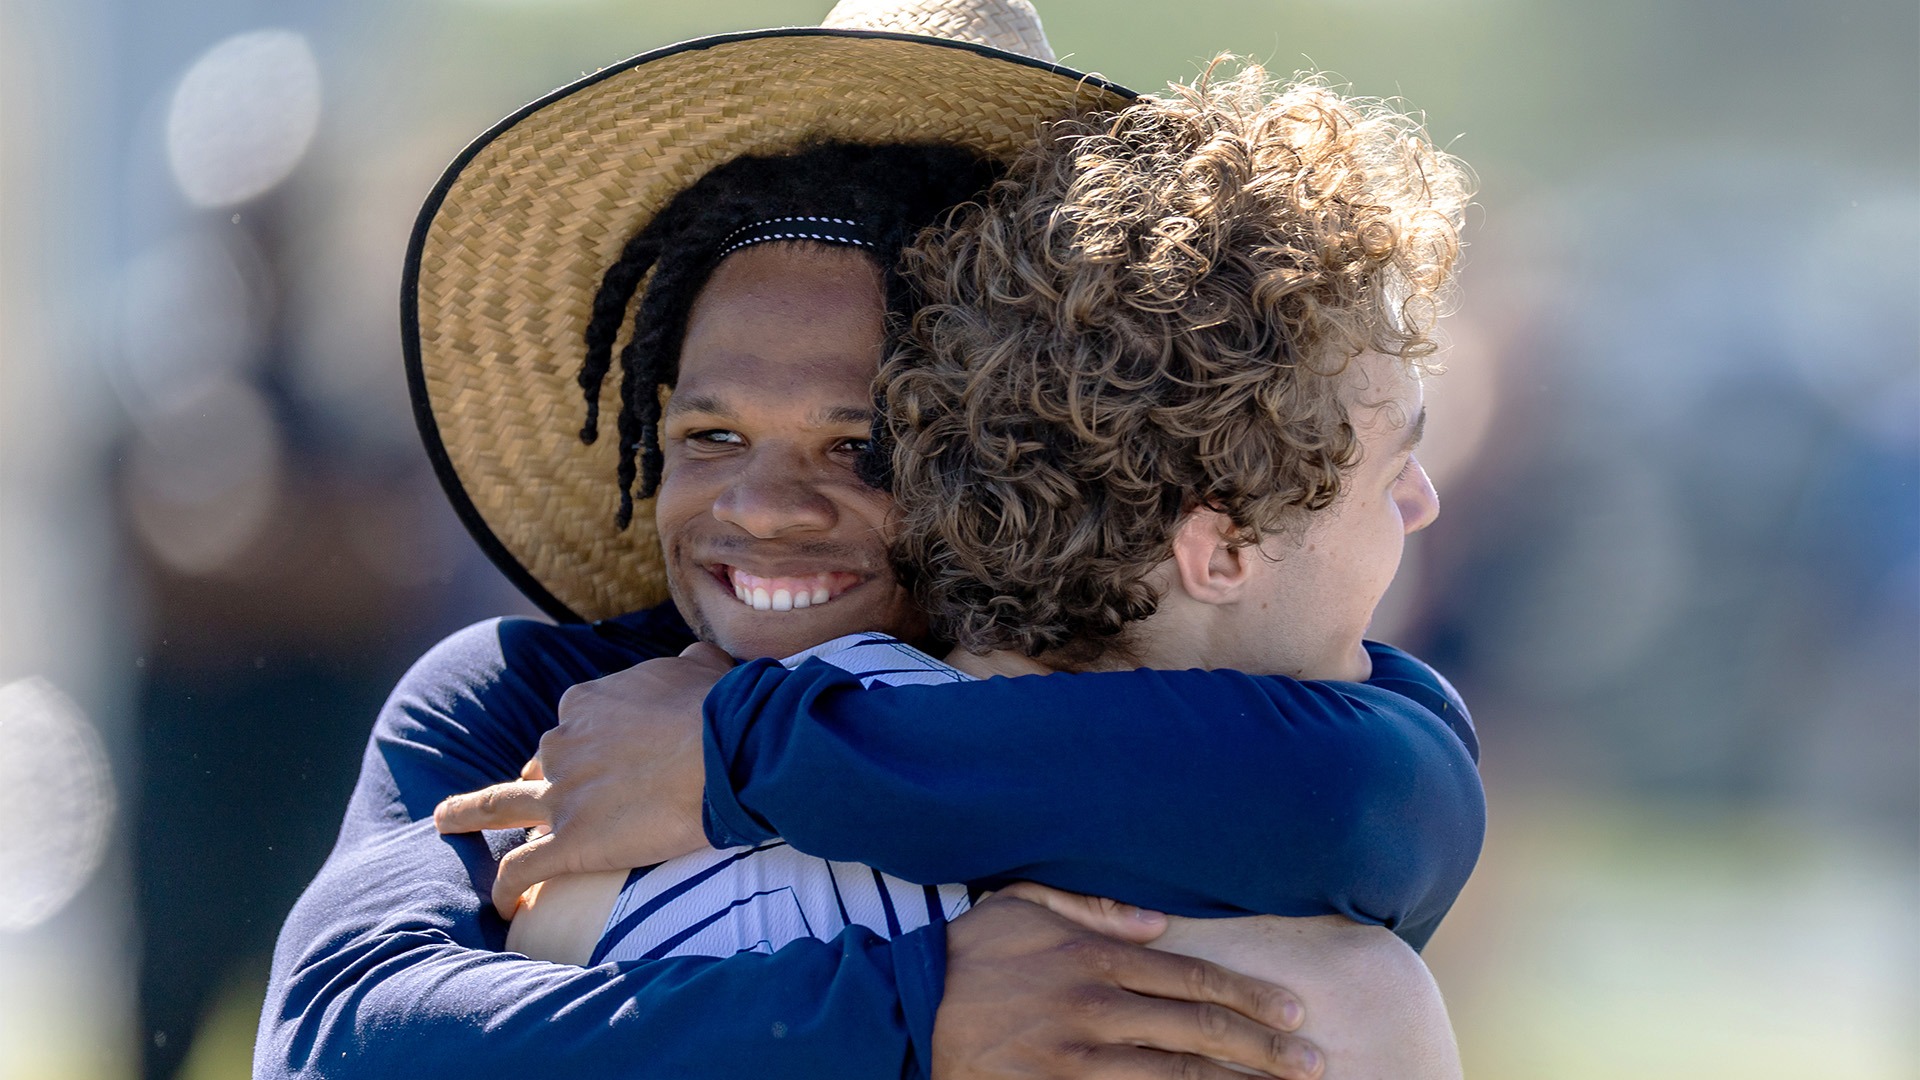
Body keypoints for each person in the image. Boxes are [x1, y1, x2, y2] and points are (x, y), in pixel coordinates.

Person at [259, 3, 1479, 1078]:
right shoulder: (535, 699)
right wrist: (907, 1014)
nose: (765, 509)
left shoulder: (1142, 686)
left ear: (1005, 442)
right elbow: (341, 1037)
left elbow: (1390, 806)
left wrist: (744, 759)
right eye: (710, 435)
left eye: (862, 447)